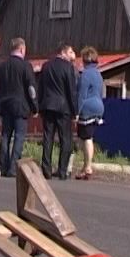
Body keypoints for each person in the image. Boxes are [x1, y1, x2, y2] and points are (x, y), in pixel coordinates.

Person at [0, 37, 38, 178]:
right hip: (21, 106)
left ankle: (3, 166)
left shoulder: (1, 66)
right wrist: (35, 107)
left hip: (5, 105)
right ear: (21, 49)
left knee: (5, 135)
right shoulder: (26, 66)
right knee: (19, 137)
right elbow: (31, 89)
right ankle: (14, 168)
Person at [38, 41, 78, 180]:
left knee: (48, 137)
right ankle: (62, 170)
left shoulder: (46, 66)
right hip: (64, 108)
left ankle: (46, 169)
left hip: (48, 106)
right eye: (70, 52)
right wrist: (75, 111)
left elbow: (40, 87)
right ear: (63, 52)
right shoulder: (69, 68)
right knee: (65, 139)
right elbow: (71, 91)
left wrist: (40, 106)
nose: (71, 56)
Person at [75, 46, 104, 180]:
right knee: (87, 137)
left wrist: (76, 112)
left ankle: (88, 166)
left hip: (87, 108)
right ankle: (85, 166)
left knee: (86, 138)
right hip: (99, 106)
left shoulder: (85, 74)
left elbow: (81, 95)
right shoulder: (98, 74)